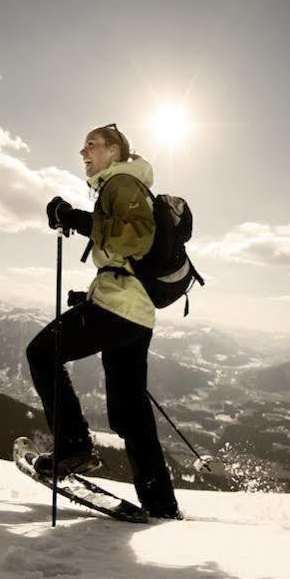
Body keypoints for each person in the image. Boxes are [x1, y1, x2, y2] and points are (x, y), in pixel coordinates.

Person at [25, 123, 182, 520]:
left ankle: (73, 447)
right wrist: (92, 296)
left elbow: (135, 239)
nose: (84, 152)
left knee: (42, 353)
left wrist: (74, 218)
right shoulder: (125, 186)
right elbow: (124, 256)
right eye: (83, 146)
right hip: (134, 312)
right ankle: (160, 503)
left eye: (92, 145)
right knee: (130, 414)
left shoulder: (122, 184)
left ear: (113, 151)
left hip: (120, 309)